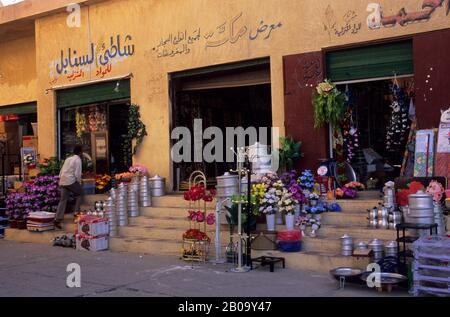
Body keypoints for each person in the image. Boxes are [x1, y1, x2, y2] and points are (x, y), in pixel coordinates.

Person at [55, 145, 84, 229]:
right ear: (80, 152)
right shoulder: (78, 160)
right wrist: (79, 182)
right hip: (70, 181)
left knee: (63, 200)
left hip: (63, 180)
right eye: (82, 151)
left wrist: (61, 180)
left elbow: (61, 171)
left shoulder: (68, 159)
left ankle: (58, 219)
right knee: (80, 193)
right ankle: (76, 213)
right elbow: (77, 174)